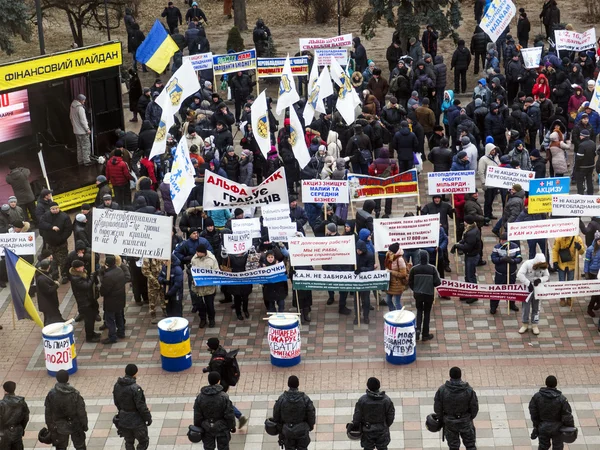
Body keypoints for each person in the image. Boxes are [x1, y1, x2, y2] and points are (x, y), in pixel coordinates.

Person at [203, 338, 248, 428]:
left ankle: (239, 416)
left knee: (222, 402)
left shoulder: (216, 361)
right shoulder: (221, 350)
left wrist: (209, 371)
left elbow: (216, 372)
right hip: (225, 381)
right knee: (223, 401)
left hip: (221, 384)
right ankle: (239, 416)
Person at [434, 367, 479, 450]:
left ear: (450, 375)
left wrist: (442, 419)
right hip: (465, 421)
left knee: (453, 447)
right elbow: (474, 407)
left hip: (449, 422)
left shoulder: (442, 390)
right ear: (460, 375)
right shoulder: (468, 390)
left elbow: (437, 408)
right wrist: (469, 418)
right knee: (470, 445)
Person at [44, 370, 88, 450]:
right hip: (75, 424)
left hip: (58, 426)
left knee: (61, 447)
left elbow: (48, 412)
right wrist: (84, 425)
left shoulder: (51, 394)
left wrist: (50, 426)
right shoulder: (75, 394)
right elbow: (81, 412)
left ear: (57, 379)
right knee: (80, 446)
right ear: (67, 379)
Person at [529, 375, 574, 450]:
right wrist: (570, 426)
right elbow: (567, 415)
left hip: (543, 427)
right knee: (558, 447)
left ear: (546, 383)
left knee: (543, 447)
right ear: (555, 384)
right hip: (558, 428)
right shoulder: (561, 399)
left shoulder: (537, 397)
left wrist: (536, 425)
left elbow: (533, 411)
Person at [349, 377, 395, 450]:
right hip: (382, 429)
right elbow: (390, 415)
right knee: (383, 448)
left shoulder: (362, 400)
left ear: (368, 386)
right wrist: (385, 425)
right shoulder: (386, 400)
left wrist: (356, 425)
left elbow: (357, 415)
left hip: (367, 430)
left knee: (367, 448)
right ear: (379, 386)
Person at [113, 364, 152, 450]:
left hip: (124, 420)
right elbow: (141, 406)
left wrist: (122, 411)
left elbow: (116, 402)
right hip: (137, 421)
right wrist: (148, 418)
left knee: (129, 441)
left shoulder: (117, 385)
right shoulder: (135, 388)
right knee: (143, 441)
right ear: (135, 373)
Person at [194, 371, 235, 450]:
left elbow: (197, 414)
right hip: (222, 426)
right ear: (218, 381)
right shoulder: (223, 396)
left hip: (206, 427)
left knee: (208, 448)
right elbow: (229, 414)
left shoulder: (200, 397)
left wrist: (198, 426)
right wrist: (232, 426)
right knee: (223, 447)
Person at [272, 376, 316, 450]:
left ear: (288, 384)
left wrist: (280, 430)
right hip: (302, 430)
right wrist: (310, 426)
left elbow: (276, 416)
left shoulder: (282, 399)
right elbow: (311, 413)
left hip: (287, 431)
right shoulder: (305, 399)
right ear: (298, 384)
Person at [408, 250, 441, 341]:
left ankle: (417, 330)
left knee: (419, 312)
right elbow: (437, 283)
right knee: (427, 313)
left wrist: (415, 289)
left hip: (418, 294)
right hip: (429, 294)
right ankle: (425, 334)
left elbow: (410, 282)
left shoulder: (414, 269)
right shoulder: (432, 268)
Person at [39, 202, 72, 283]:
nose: (55, 210)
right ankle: (54, 275)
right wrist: (51, 227)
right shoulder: (46, 215)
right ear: (50, 209)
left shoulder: (64, 217)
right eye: (53, 209)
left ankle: (64, 275)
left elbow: (68, 229)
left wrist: (62, 238)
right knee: (52, 261)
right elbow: (41, 224)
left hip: (61, 243)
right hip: (50, 243)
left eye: (56, 208)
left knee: (63, 260)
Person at [451, 216, 483, 304]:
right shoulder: (473, 229)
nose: (464, 222)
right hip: (471, 255)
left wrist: (457, 246)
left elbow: (468, 247)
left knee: (471, 276)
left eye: (465, 221)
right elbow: (465, 240)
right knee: (467, 275)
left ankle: (474, 295)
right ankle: (468, 292)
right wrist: (459, 242)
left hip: (471, 256)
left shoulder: (471, 233)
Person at [517, 253, 550, 335]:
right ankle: (525, 324)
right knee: (526, 307)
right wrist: (528, 283)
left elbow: (547, 276)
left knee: (536, 307)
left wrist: (540, 280)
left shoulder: (543, 266)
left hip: (537, 289)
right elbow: (519, 274)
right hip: (527, 289)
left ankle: (534, 325)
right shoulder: (527, 264)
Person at [69, 260, 101, 343]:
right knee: (89, 320)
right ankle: (89, 337)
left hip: (88, 299)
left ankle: (92, 333)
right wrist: (92, 278)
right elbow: (86, 286)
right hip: (85, 302)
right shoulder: (76, 278)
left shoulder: (80, 274)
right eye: (81, 266)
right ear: (77, 268)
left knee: (92, 317)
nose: (83, 267)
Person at [100, 255, 129, 344]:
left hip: (111, 301)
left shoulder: (108, 276)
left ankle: (112, 337)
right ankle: (121, 332)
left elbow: (104, 291)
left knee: (110, 319)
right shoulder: (119, 270)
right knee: (119, 316)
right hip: (120, 299)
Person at [490, 233, 522, 314]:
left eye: (504, 240)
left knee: (511, 290)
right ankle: (493, 307)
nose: (502, 241)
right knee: (497, 291)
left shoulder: (515, 247)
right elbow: (494, 259)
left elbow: (519, 258)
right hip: (500, 274)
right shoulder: (497, 247)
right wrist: (502, 259)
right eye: (501, 240)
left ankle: (511, 304)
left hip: (511, 274)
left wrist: (512, 261)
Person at [190, 244, 219, 328]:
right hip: (198, 288)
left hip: (209, 287)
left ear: (203, 253)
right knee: (200, 305)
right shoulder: (194, 259)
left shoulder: (212, 259)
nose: (197, 253)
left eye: (198, 252)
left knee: (210, 305)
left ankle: (211, 319)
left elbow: (216, 271)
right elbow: (192, 269)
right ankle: (203, 319)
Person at [552, 234, 584, 307]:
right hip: (561, 264)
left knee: (570, 282)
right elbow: (555, 250)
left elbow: (582, 252)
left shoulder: (577, 239)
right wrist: (555, 261)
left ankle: (569, 298)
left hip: (572, 265)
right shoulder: (558, 238)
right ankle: (562, 298)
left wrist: (579, 248)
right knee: (561, 282)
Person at [0, 380, 30, 449]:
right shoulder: (21, 402)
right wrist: (21, 428)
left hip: (4, 434)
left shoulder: (1, 405)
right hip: (17, 431)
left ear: (5, 390)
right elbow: (25, 418)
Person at [5, 161, 36, 226]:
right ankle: (37, 224)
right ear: (17, 166)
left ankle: (27, 227)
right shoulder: (23, 173)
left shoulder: (9, 177)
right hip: (29, 196)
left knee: (24, 215)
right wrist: (21, 168)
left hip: (20, 199)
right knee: (33, 212)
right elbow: (28, 170)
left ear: (10, 169)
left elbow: (7, 180)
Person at [354, 240, 375, 325]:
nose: (358, 252)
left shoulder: (370, 255)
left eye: (360, 250)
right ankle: (357, 316)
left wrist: (361, 269)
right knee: (356, 300)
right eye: (357, 250)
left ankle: (366, 316)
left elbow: (371, 268)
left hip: (365, 282)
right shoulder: (354, 255)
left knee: (366, 300)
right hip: (355, 282)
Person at [384, 243, 409, 311]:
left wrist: (391, 272)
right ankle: (393, 312)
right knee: (388, 300)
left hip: (398, 284)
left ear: (394, 252)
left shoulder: (400, 260)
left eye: (390, 251)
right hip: (390, 283)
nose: (388, 252)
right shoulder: (388, 257)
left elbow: (403, 274)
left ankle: (399, 316)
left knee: (397, 303)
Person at [141, 258, 166, 324]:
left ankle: (164, 310)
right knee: (152, 299)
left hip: (162, 280)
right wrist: (155, 281)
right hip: (153, 283)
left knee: (163, 296)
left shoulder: (162, 254)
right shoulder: (147, 258)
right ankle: (153, 315)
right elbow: (145, 271)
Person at [69, 94, 92, 166]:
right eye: (83, 100)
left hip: (76, 131)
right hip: (82, 131)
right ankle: (86, 161)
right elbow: (83, 120)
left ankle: (80, 160)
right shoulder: (80, 108)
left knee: (79, 146)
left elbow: (70, 117)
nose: (84, 102)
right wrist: (87, 129)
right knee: (85, 146)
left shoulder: (72, 106)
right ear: (80, 100)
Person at [574, 129, 595, 195]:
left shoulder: (582, 145)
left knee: (580, 182)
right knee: (589, 181)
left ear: (583, 136)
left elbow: (579, 158)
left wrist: (576, 167)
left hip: (582, 167)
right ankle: (590, 194)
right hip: (591, 166)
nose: (580, 136)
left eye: (581, 135)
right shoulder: (593, 143)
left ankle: (580, 195)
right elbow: (594, 154)